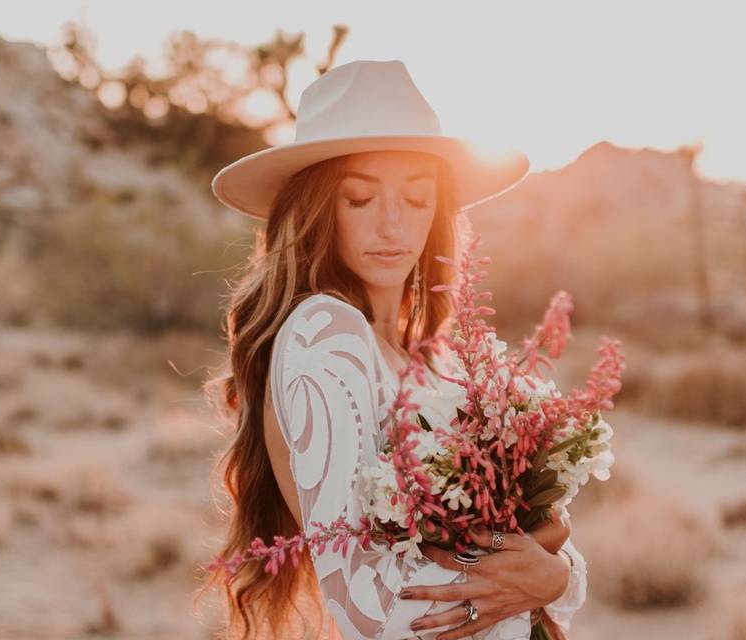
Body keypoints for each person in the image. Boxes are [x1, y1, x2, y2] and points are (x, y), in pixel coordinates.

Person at [203, 59, 587, 640]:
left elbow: (555, 565)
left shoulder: (436, 358)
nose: (391, 226)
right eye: (358, 198)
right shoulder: (322, 333)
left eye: (416, 199)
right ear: (315, 209)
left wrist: (552, 578)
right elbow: (368, 608)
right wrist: (527, 583)